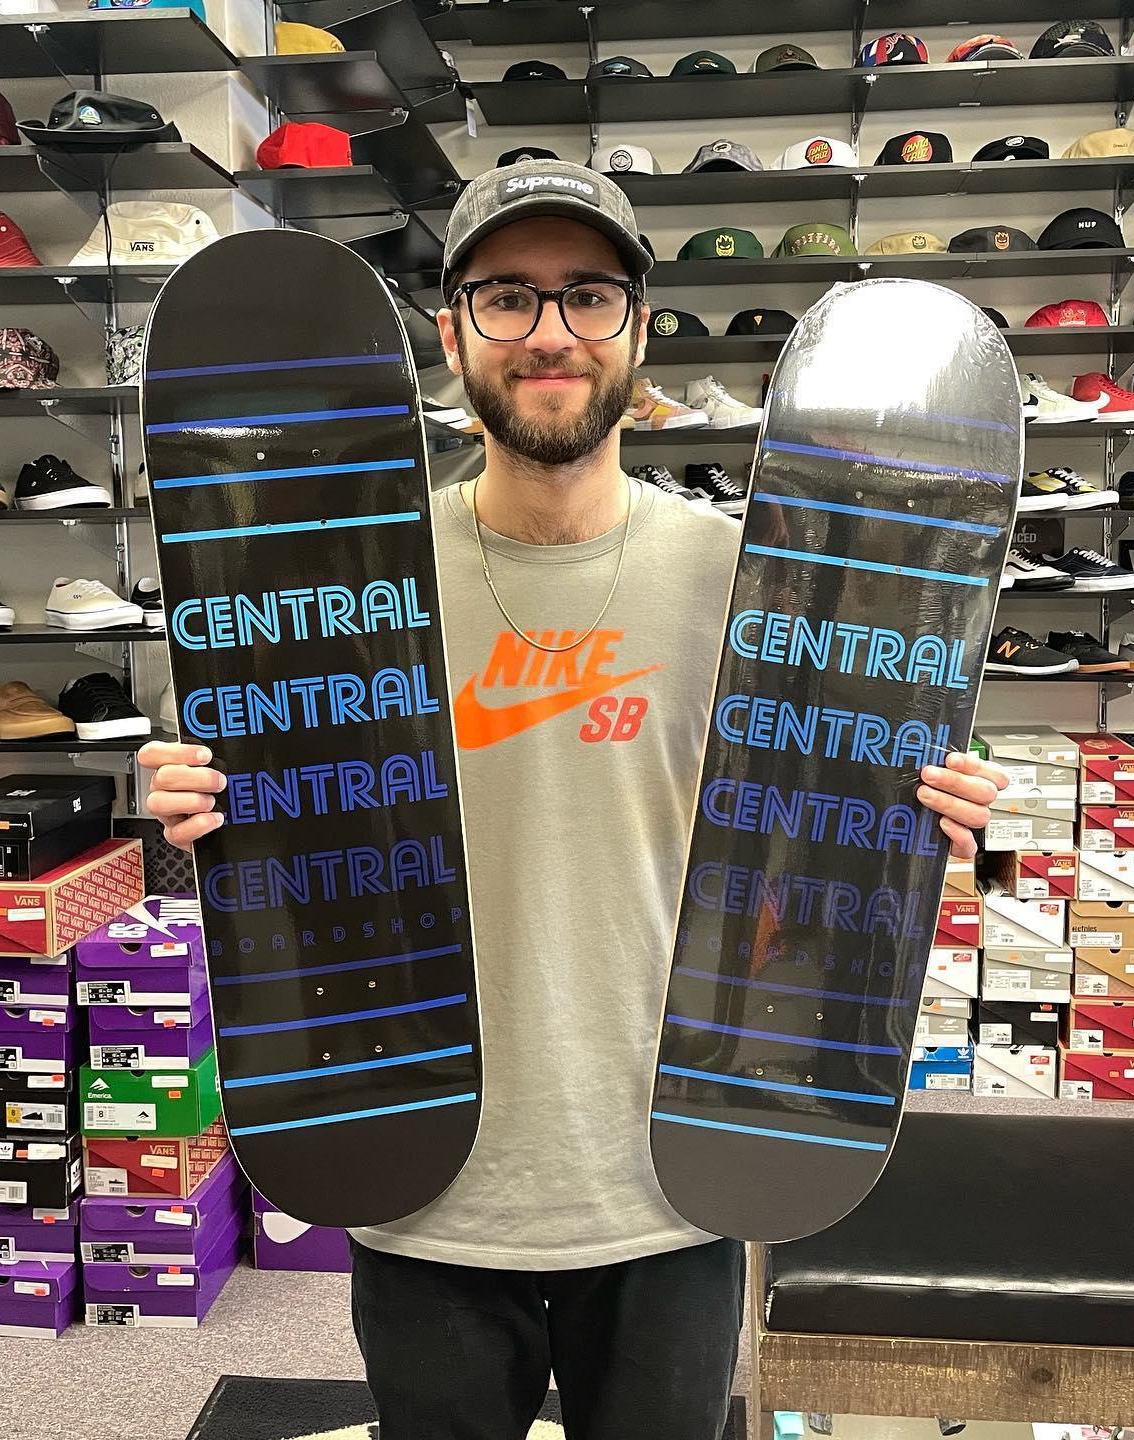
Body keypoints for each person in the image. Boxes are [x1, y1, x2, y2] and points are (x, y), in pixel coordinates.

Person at [137, 159, 1009, 1440]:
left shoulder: (751, 582)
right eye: (507, 297)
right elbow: (262, 844)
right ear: (451, 336)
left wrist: (933, 820)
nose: (549, 332)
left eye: (588, 296)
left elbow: (837, 859)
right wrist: (195, 816)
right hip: (425, 1169)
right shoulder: (337, 579)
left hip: (670, 1175)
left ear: (638, 330)